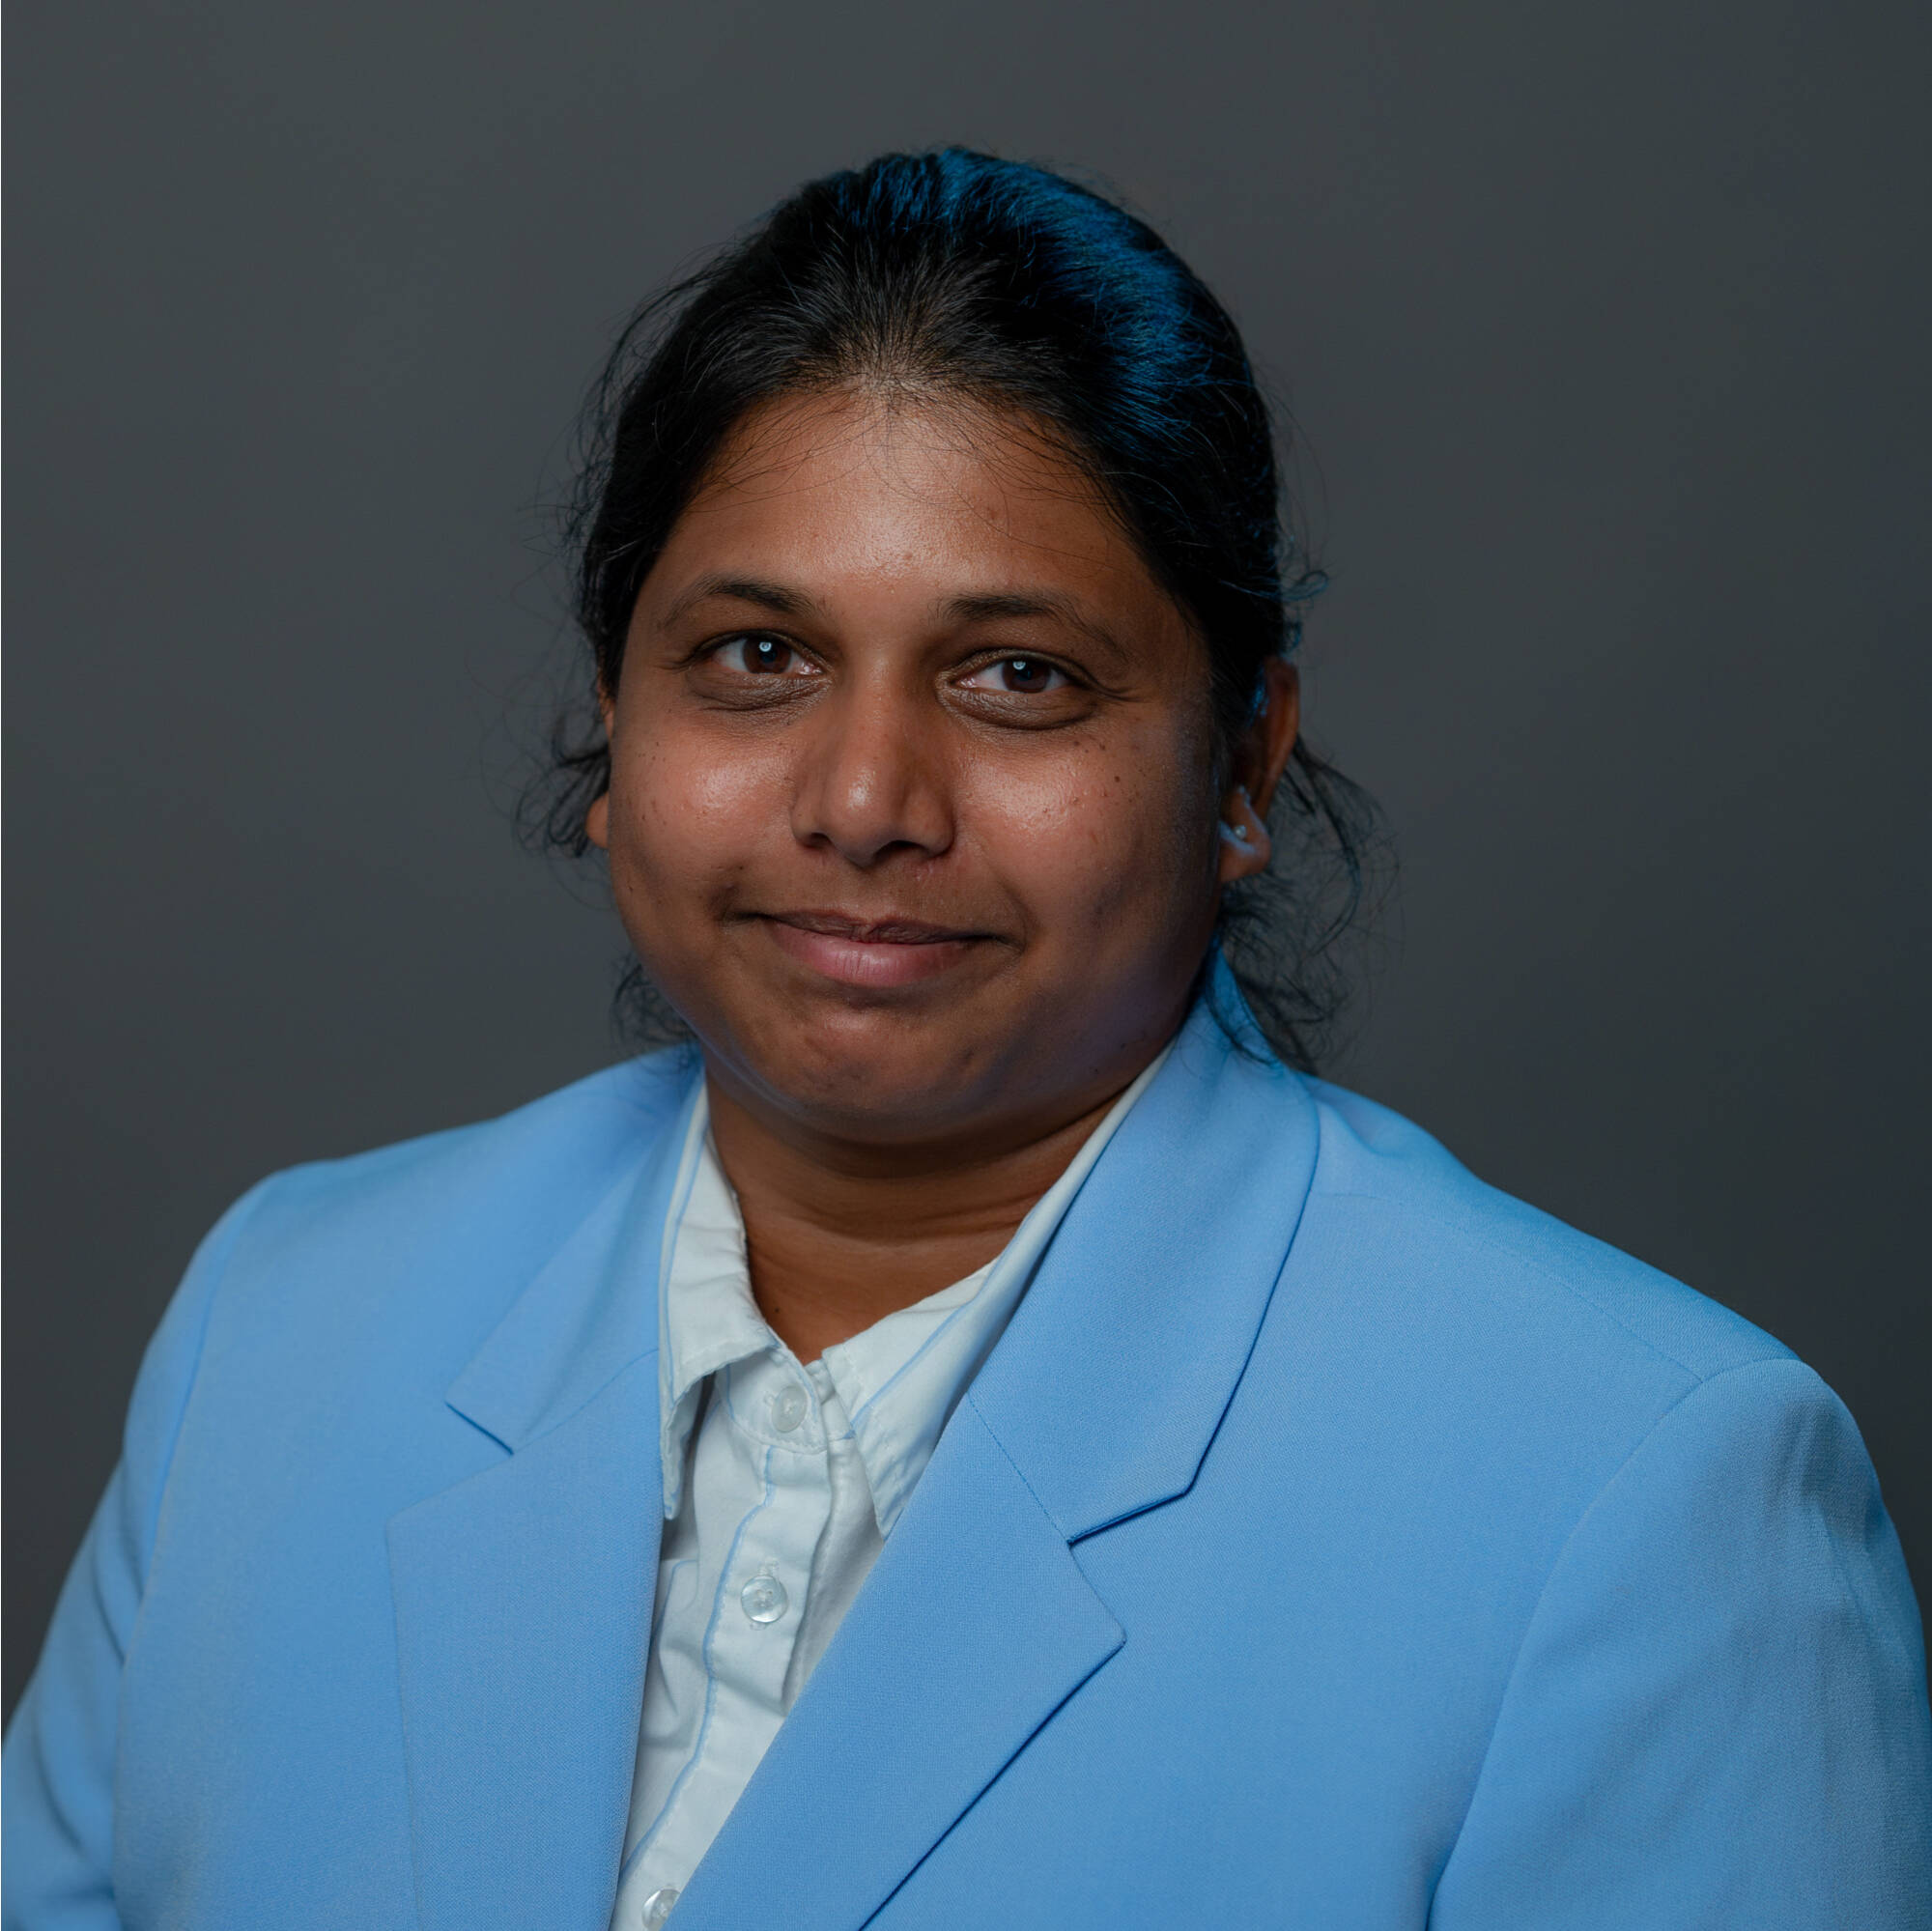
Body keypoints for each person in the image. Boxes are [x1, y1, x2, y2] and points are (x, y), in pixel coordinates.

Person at [5, 148, 1927, 1931]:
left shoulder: (1639, 1501)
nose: (863, 801)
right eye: (757, 656)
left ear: (1242, 763)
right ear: (615, 714)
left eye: (1019, 676)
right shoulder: (286, 1322)